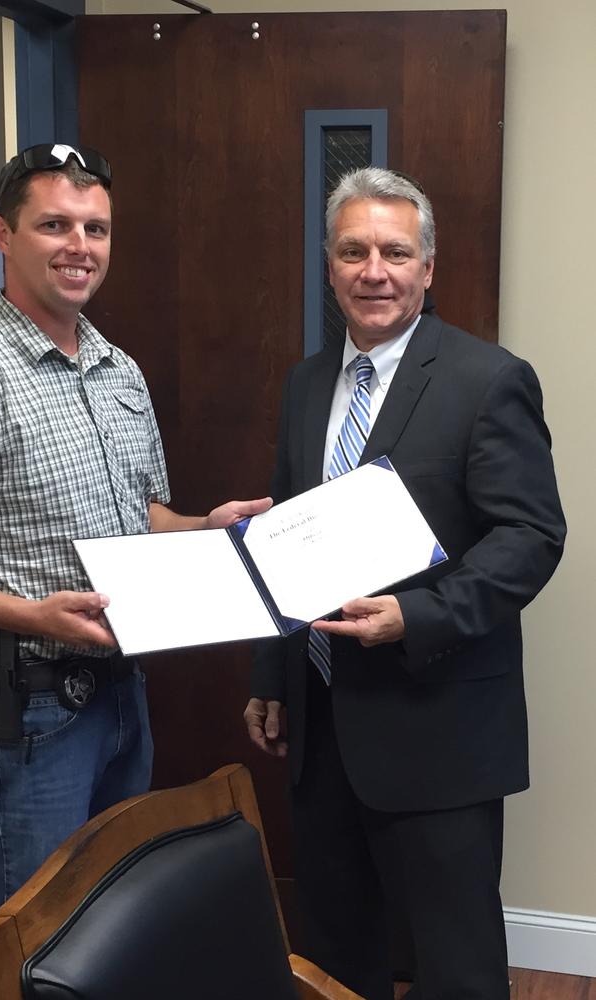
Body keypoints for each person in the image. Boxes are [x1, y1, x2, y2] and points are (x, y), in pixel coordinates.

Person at [0, 143, 270, 999]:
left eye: (96, 228)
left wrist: (202, 530)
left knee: (101, 927)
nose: (80, 245)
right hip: (20, 714)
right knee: (14, 939)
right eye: (54, 225)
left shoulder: (118, 371)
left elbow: (139, 516)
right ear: (3, 234)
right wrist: (31, 615)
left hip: (117, 694)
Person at [244, 167, 565, 1000]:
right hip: (320, 730)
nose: (373, 270)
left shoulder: (487, 380)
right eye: (353, 251)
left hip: (440, 727)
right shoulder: (307, 382)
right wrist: (273, 674)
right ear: (329, 263)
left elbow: (531, 536)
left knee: (453, 960)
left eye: (395, 251)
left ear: (428, 267)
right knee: (336, 947)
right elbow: (285, 537)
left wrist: (416, 618)